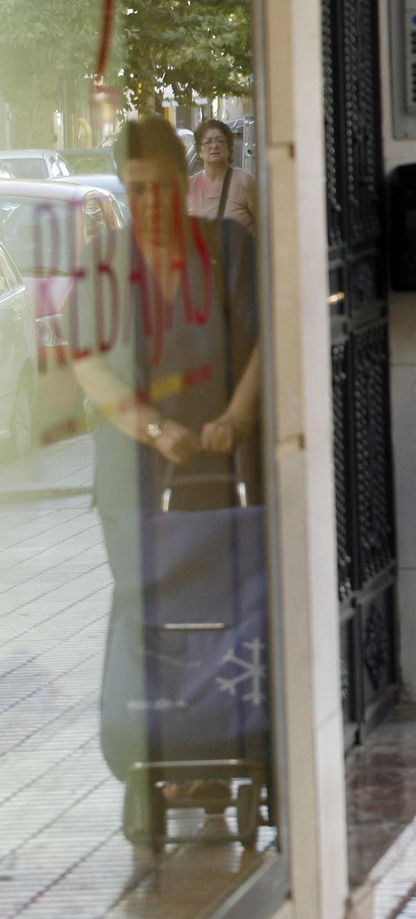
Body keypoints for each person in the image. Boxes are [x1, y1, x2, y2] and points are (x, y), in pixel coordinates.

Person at [72, 117, 263, 788]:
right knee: (150, 607)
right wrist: (153, 428)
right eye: (136, 189)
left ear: (183, 184)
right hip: (135, 469)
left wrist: (237, 417)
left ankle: (215, 741)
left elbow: (268, 340)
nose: (150, 202)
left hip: (220, 463)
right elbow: (88, 364)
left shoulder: (227, 247)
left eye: (160, 187)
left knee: (216, 608)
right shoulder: (104, 261)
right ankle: (159, 747)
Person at [187, 119, 259, 234]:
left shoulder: (243, 182)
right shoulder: (188, 186)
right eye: (208, 142)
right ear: (199, 151)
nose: (214, 146)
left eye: (220, 141)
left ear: (230, 148)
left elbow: (266, 229)